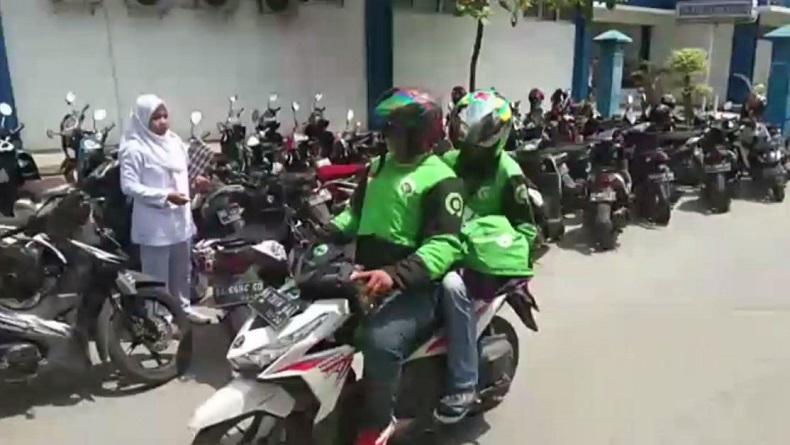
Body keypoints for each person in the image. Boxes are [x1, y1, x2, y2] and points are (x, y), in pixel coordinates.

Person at [323, 88, 465, 445]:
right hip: (364, 276)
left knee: (380, 341)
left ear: (422, 135)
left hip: (415, 287)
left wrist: (395, 275)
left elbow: (445, 244)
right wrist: (326, 231)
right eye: (388, 131)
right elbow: (354, 214)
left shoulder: (441, 178)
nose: (389, 138)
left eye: (396, 132)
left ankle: (378, 423)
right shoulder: (378, 167)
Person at [436, 89, 537, 423]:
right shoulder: (447, 163)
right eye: (463, 131)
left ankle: (463, 383)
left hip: (480, 262)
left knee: (451, 287)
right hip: (443, 248)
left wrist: (496, 253)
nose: (467, 142)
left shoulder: (508, 173)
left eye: (475, 135)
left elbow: (525, 229)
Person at [119, 94, 211, 324]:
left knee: (182, 272)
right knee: (156, 278)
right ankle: (160, 319)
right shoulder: (134, 148)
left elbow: (182, 174)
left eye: (165, 116)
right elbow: (129, 186)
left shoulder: (175, 142)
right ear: (142, 120)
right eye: (155, 118)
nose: (162, 122)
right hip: (154, 225)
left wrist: (196, 181)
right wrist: (164, 196)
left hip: (180, 220)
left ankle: (183, 308)